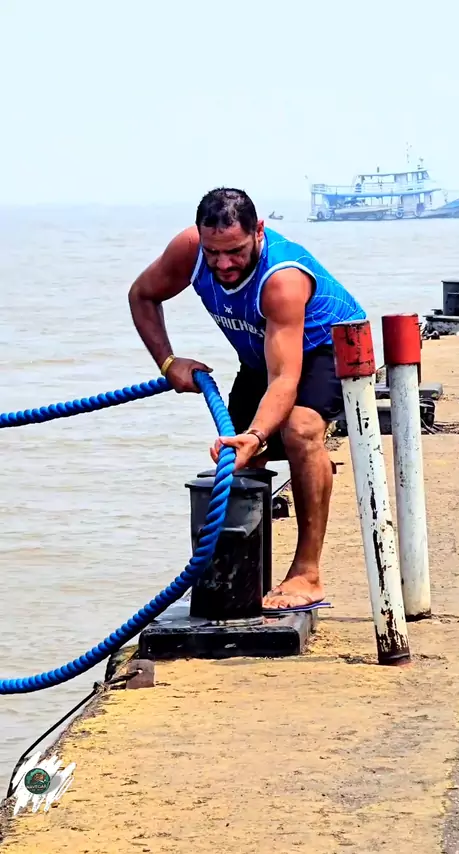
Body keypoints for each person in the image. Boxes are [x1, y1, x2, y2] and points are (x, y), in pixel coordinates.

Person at [128, 188, 366, 613]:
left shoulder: (282, 281)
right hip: (262, 352)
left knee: (299, 431)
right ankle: (246, 577)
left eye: (235, 251)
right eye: (213, 252)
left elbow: (285, 380)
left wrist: (257, 435)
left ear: (258, 231)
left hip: (328, 347)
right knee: (237, 455)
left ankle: (307, 573)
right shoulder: (189, 249)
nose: (223, 264)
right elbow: (142, 295)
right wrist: (168, 361)